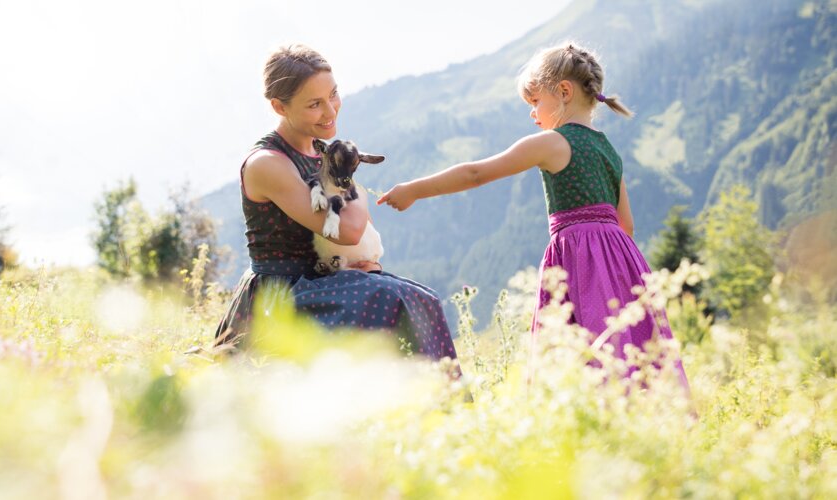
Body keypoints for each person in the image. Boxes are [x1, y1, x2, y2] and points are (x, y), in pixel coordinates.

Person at [378, 42, 689, 386]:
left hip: (578, 262)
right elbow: (625, 225)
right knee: (623, 351)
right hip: (623, 267)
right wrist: (611, 267)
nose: (532, 113)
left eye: (535, 101)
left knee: (575, 356)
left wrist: (413, 190)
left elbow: (476, 174)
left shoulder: (552, 143)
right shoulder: (608, 149)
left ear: (565, 92)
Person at [215, 44, 459, 363]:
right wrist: (348, 174)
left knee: (423, 300)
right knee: (397, 299)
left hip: (325, 278)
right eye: (315, 104)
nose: (330, 111)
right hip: (285, 293)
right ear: (279, 107)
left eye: (333, 95)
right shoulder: (268, 163)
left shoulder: (321, 152)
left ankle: (437, 406)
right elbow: (349, 229)